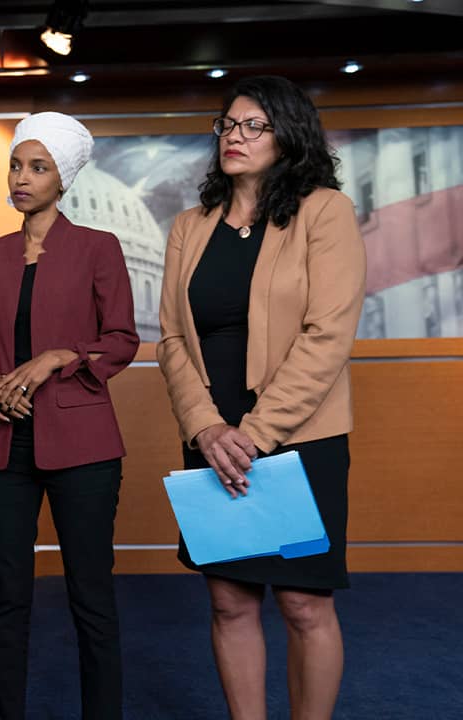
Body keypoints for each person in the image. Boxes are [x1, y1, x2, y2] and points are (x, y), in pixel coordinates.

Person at [156, 75, 365, 719]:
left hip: (300, 441)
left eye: (253, 126)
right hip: (213, 443)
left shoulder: (324, 210)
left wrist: (254, 434)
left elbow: (328, 333)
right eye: (228, 124)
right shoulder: (190, 226)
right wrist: (207, 429)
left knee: (304, 604)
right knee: (230, 601)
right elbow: (170, 340)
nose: (234, 136)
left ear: (289, 136)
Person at [0, 112, 139, 720]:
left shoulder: (98, 247)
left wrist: (58, 357)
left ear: (62, 179)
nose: (21, 177)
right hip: (2, 445)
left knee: (91, 595)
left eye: (38, 167)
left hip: (84, 447)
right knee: (7, 595)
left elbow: (121, 340)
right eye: (16, 164)